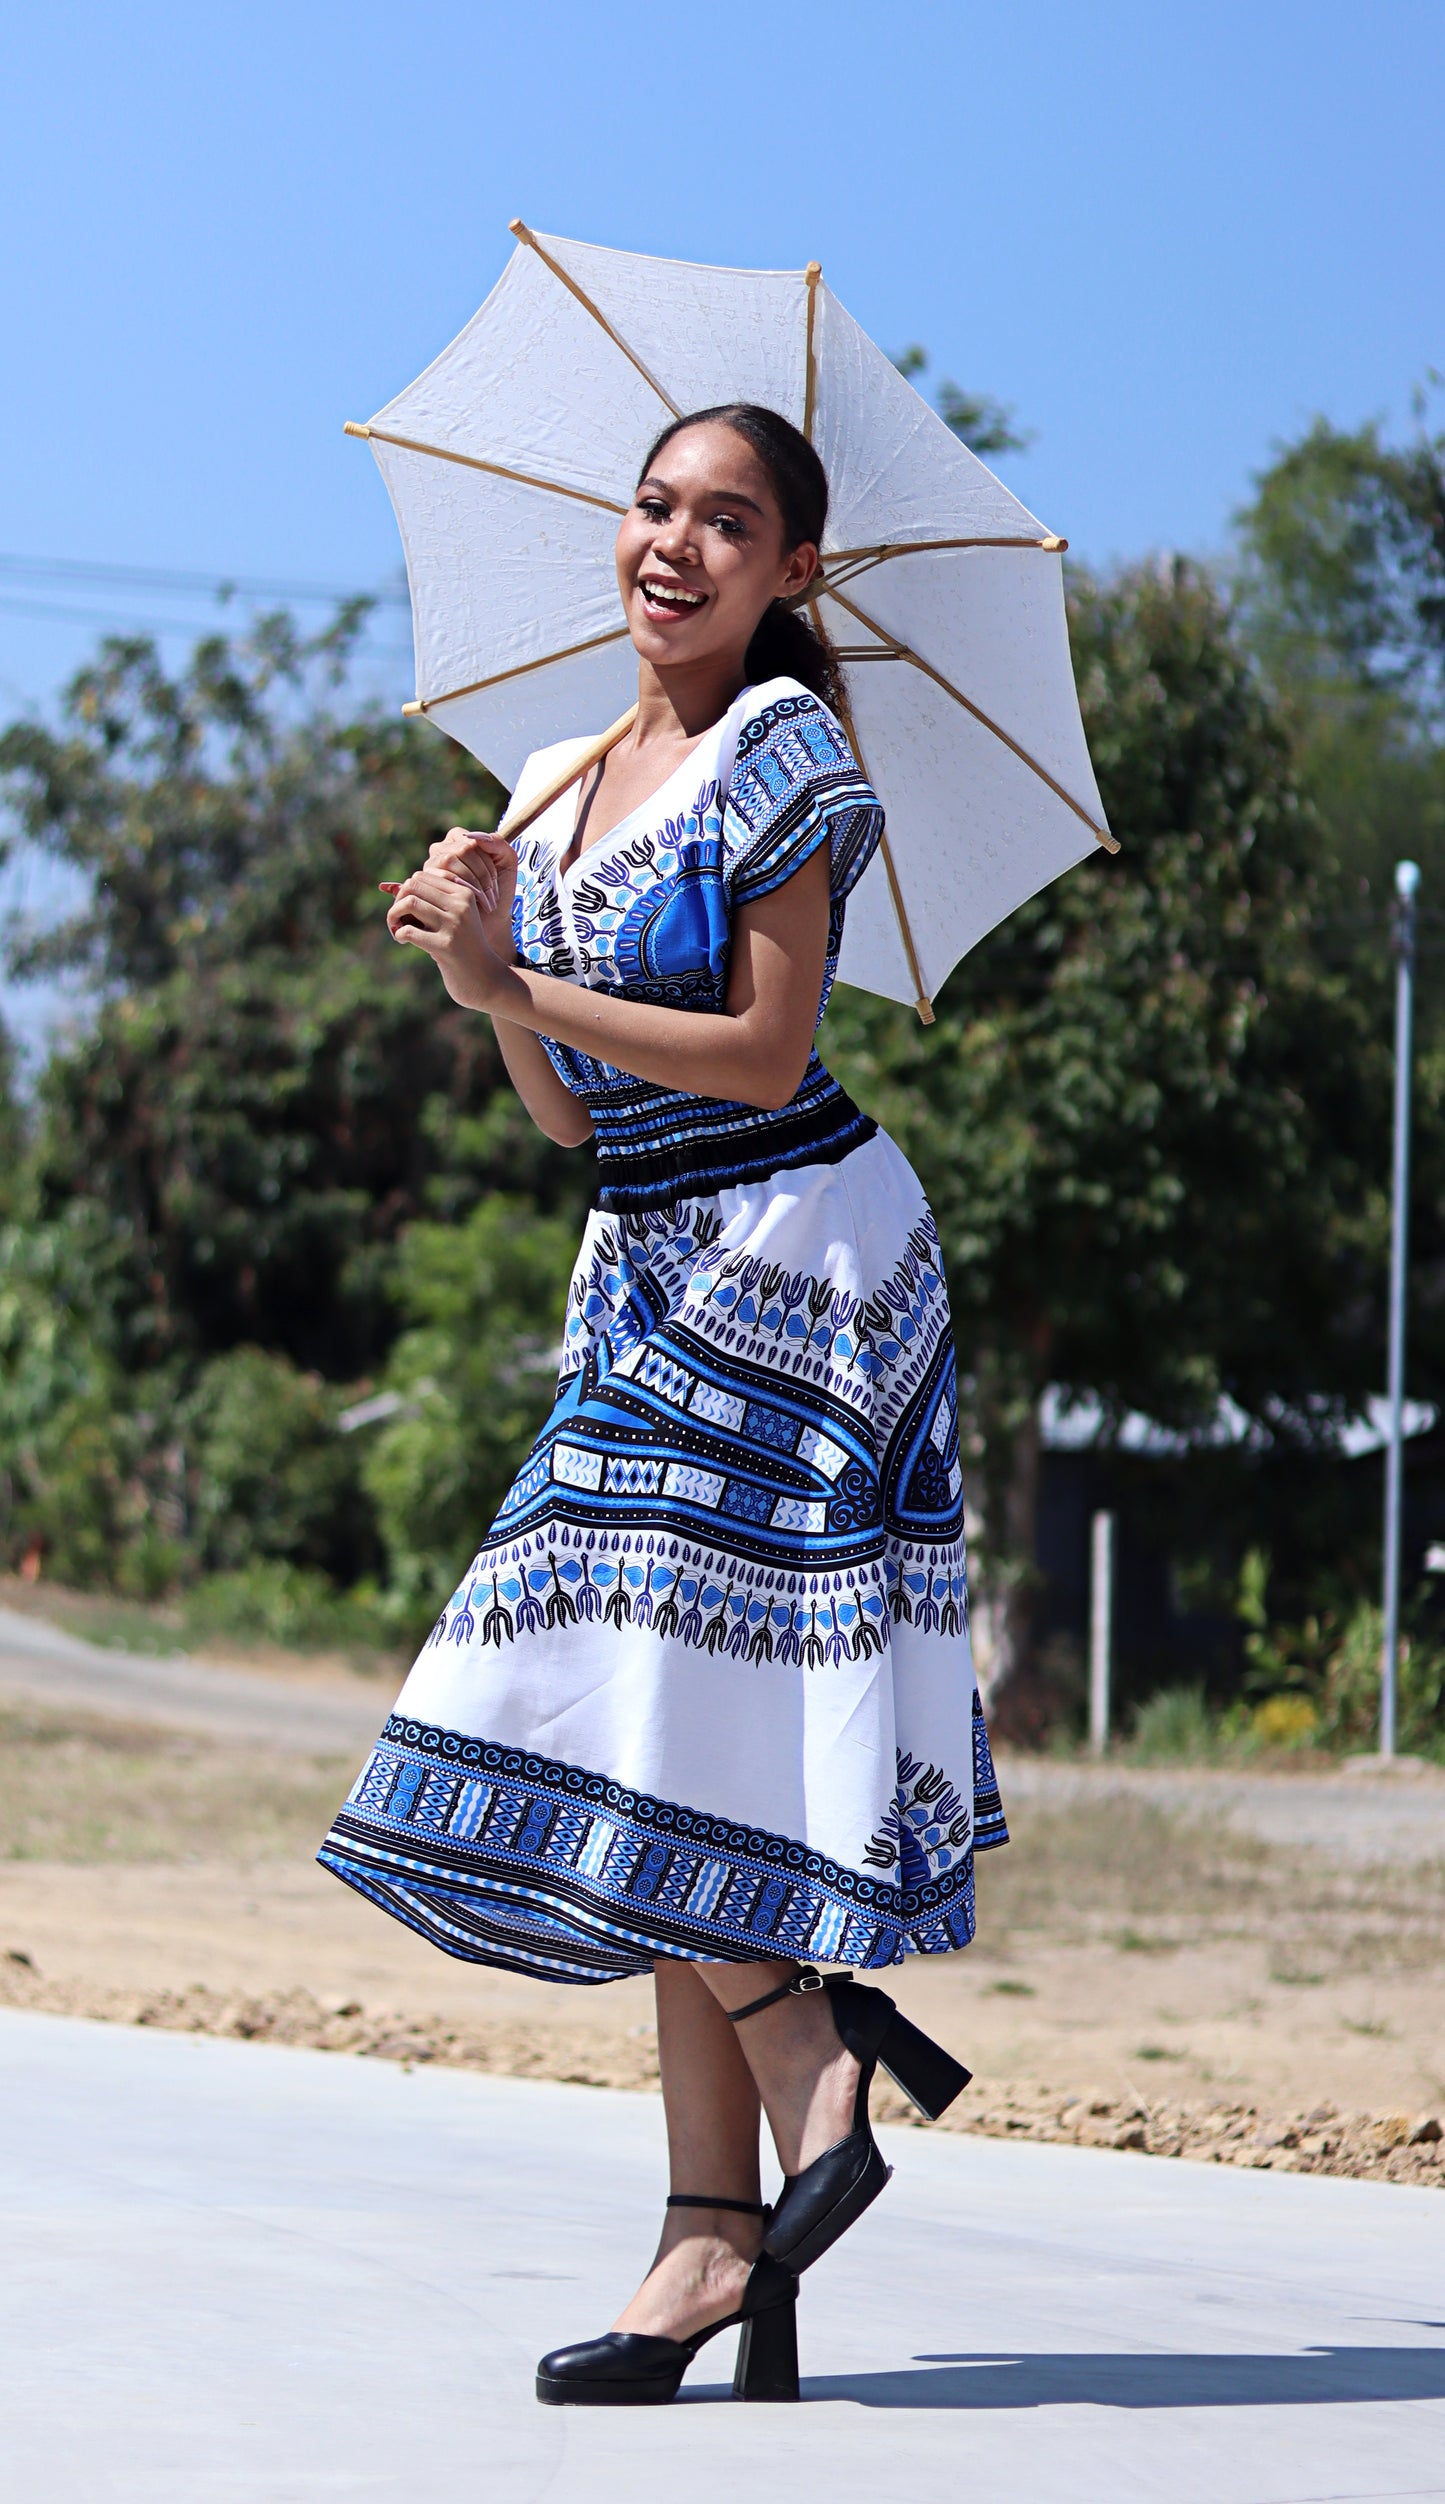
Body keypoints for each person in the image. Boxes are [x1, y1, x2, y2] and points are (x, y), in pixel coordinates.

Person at [320, 403, 1008, 2408]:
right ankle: (712, 2239)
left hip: (800, 1247)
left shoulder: (783, 751)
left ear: (793, 570)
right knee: (673, 1725)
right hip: (641, 1251)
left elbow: (765, 1043)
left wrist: (525, 994)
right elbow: (578, 1117)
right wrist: (489, 965)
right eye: (653, 506)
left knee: (583, 1688)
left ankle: (803, 2059)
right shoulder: (547, 781)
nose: (677, 546)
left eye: (731, 522)